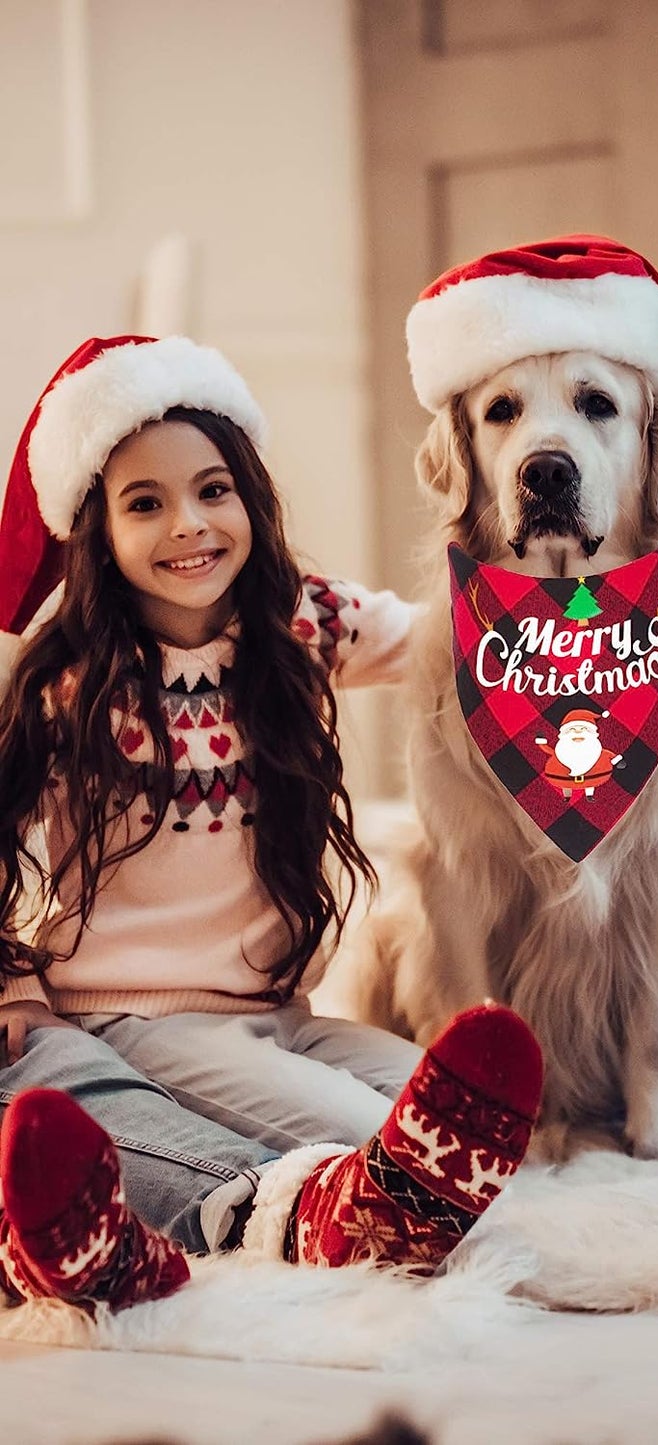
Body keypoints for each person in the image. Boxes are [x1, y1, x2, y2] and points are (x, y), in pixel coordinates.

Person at [0, 335, 544, 1310]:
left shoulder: (296, 628)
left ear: (249, 494)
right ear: (98, 530)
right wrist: (14, 992)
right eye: (146, 503)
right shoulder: (72, 679)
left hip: (281, 1012)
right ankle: (305, 1205)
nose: (189, 525)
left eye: (213, 490)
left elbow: (444, 635)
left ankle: (364, 1184)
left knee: (476, 1121)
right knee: (381, 1142)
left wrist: (575, 598)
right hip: (139, 1016)